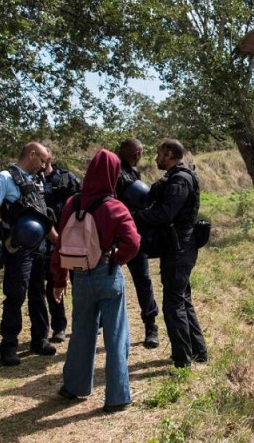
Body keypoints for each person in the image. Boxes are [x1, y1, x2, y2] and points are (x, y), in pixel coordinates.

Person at [51, 148, 141, 412]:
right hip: (107, 273)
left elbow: (61, 245)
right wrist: (117, 257)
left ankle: (75, 386)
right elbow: (133, 243)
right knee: (115, 336)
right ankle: (117, 397)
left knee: (81, 332)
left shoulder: (72, 204)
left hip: (80, 276)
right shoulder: (115, 207)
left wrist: (60, 278)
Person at [134, 139, 208, 368]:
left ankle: (182, 359)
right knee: (182, 299)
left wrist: (134, 216)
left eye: (158, 153)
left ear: (168, 154)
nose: (156, 158)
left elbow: (166, 213)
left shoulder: (180, 179)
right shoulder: (176, 177)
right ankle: (198, 352)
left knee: (174, 303)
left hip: (180, 247)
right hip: (177, 246)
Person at [0, 141, 59, 366]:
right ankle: (9, 345)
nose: (45, 165)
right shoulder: (5, 178)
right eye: (43, 160)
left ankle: (40, 339)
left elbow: (43, 219)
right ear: (32, 154)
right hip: (16, 247)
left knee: (38, 292)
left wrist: (61, 244)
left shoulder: (37, 180)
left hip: (39, 247)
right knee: (16, 295)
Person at [114, 137, 160, 349]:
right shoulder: (111, 171)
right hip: (113, 236)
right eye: (135, 153)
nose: (138, 157)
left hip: (134, 235)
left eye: (139, 153)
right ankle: (106, 325)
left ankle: (151, 326)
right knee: (108, 282)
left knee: (143, 280)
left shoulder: (133, 173)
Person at [39, 147, 81, 343]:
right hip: (45, 241)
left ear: (50, 156)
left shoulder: (67, 178)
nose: (42, 158)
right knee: (52, 283)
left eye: (45, 154)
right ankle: (59, 327)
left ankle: (85, 323)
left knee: (78, 281)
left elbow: (83, 203)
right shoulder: (30, 181)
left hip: (71, 238)